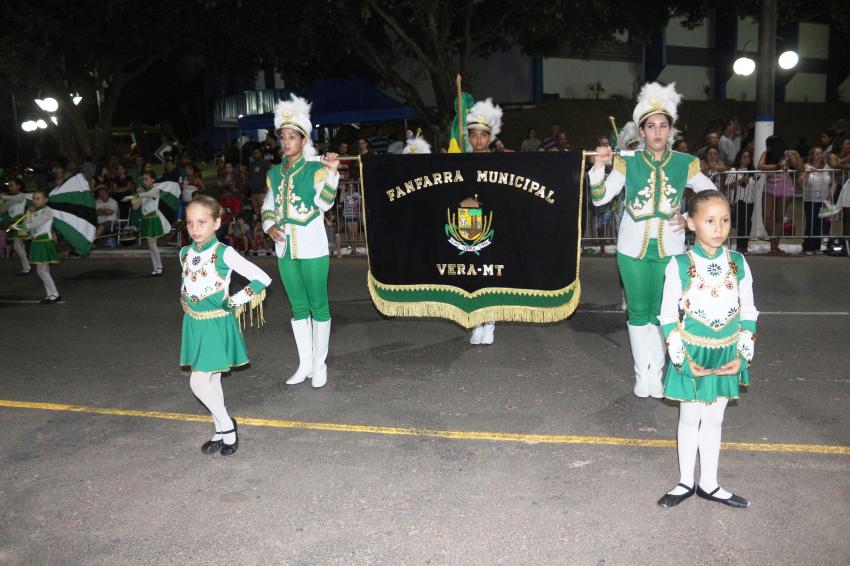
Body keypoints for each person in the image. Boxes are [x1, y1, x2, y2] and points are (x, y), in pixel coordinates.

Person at [590, 82, 716, 398]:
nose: (657, 132)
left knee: (664, 314)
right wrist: (598, 167)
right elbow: (600, 199)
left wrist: (690, 220)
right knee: (638, 312)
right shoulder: (627, 161)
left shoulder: (684, 162)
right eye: (651, 126)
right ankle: (640, 374)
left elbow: (710, 194)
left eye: (663, 126)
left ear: (670, 130)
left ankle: (656, 372)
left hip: (670, 250)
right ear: (642, 131)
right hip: (631, 249)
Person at [656, 190, 758, 509]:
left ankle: (710, 483)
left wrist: (742, 355)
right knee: (689, 417)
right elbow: (668, 317)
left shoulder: (738, 263)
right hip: (692, 353)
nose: (719, 228)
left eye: (725, 220)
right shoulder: (679, 264)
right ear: (691, 223)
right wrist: (681, 359)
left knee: (714, 419)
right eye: (710, 220)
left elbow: (749, 312)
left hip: (727, 352)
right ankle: (686, 480)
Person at [180, 195, 271, 456]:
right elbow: (187, 280)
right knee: (213, 379)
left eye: (201, 222)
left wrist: (235, 301)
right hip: (194, 322)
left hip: (216, 323)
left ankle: (227, 426)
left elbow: (262, 278)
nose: (195, 228)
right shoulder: (185, 252)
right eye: (190, 223)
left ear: (217, 223)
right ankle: (220, 431)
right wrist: (183, 297)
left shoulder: (223, 252)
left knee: (198, 382)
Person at [261, 94, 340, 389]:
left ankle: (320, 365)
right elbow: (268, 205)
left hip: (313, 246)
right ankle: (304, 363)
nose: (286, 142)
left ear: (304, 140)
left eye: (292, 137)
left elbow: (325, 204)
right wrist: (269, 225)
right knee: (297, 308)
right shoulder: (273, 173)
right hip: (285, 248)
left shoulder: (316, 169)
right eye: (283, 137)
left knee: (318, 305)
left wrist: (332, 175)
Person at [465, 98, 503, 346]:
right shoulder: (461, 161)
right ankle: (475, 321)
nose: (478, 140)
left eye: (483, 136)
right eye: (474, 135)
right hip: (468, 219)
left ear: (490, 137)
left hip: (492, 220)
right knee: (471, 273)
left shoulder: (500, 161)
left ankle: (490, 322)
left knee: (489, 273)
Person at [757, 135, 803, 255]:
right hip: (769, 186)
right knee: (766, 216)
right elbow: (760, 166)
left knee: (779, 216)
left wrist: (796, 155)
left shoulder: (787, 154)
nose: (767, 147)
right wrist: (776, 166)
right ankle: (773, 242)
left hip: (784, 186)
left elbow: (798, 167)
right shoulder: (766, 154)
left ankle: (775, 246)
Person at [23, 189, 60, 303]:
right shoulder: (35, 211)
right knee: (44, 271)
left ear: (45, 200)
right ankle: (50, 295)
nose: (35, 201)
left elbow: (34, 225)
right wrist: (28, 216)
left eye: (38, 198)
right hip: (37, 242)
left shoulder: (48, 211)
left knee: (41, 271)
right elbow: (28, 226)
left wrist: (28, 218)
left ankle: (55, 294)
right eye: (34, 198)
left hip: (44, 242)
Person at [132, 171, 172, 276]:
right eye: (143, 180)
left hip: (153, 219)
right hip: (146, 219)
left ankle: (159, 267)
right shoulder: (143, 193)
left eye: (146, 179)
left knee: (152, 244)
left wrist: (139, 194)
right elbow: (135, 207)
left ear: (153, 180)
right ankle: (157, 267)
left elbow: (148, 194)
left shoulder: (155, 190)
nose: (144, 181)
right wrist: (136, 198)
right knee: (151, 245)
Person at [800, 146, 836, 254]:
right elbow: (802, 183)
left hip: (825, 199)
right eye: (817, 153)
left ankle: (817, 246)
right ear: (811, 156)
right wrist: (808, 173)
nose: (819, 155)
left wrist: (831, 195)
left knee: (823, 223)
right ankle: (808, 246)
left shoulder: (826, 167)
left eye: (821, 153)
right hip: (810, 199)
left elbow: (833, 182)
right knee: (811, 222)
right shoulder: (806, 167)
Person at [724, 149, 757, 254]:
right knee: (743, 223)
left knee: (748, 223)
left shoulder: (751, 170)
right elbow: (728, 185)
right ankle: (740, 246)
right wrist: (740, 181)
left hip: (750, 200)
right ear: (740, 158)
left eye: (748, 157)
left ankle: (744, 246)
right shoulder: (734, 170)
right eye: (744, 157)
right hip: (739, 199)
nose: (747, 159)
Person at [2, 177, 33, 274]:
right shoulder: (8, 199)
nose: (10, 187)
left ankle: (27, 267)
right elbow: (3, 210)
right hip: (13, 224)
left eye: (12, 185)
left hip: (21, 223)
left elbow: (18, 198)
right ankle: (27, 267)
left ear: (19, 186)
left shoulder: (22, 195)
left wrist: (3, 197)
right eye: (9, 186)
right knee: (19, 246)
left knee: (18, 246)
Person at [248, 146, 271, 211]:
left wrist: (267, 187)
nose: (255, 154)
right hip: (253, 193)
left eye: (257, 152)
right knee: (256, 213)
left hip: (262, 192)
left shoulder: (265, 163)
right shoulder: (251, 165)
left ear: (261, 153)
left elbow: (270, 175)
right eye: (254, 153)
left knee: (264, 211)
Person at [341, 182, 361, 256]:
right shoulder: (345, 193)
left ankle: (354, 249)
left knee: (355, 233)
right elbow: (341, 200)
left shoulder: (356, 194)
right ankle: (353, 250)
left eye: (352, 187)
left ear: (354, 188)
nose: (350, 188)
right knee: (351, 233)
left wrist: (349, 197)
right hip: (347, 215)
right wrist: (342, 190)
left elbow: (355, 203)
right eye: (349, 187)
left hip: (354, 214)